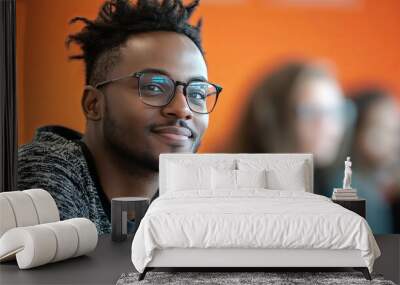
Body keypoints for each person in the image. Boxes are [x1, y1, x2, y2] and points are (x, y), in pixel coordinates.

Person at [17, 0, 222, 234]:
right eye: (154, 87)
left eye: (196, 93)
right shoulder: (45, 171)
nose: (182, 108)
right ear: (93, 104)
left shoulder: (191, 193)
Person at [229, 61, 348, 195]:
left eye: (335, 112)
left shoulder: (328, 185)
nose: (329, 127)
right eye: (310, 112)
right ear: (272, 119)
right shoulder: (234, 187)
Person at [337, 88, 400, 233]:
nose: (394, 141)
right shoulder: (350, 190)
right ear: (353, 132)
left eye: (396, 130)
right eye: (380, 130)